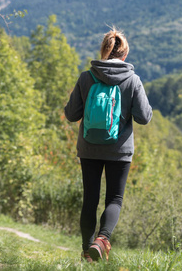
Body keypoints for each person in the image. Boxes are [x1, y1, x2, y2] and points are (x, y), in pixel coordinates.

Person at [64, 27, 152, 263]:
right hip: (120, 150)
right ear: (124, 55)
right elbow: (144, 117)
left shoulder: (86, 77)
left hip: (89, 147)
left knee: (90, 198)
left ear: (103, 50)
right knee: (114, 199)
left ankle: (86, 252)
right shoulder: (132, 80)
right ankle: (102, 240)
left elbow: (72, 115)